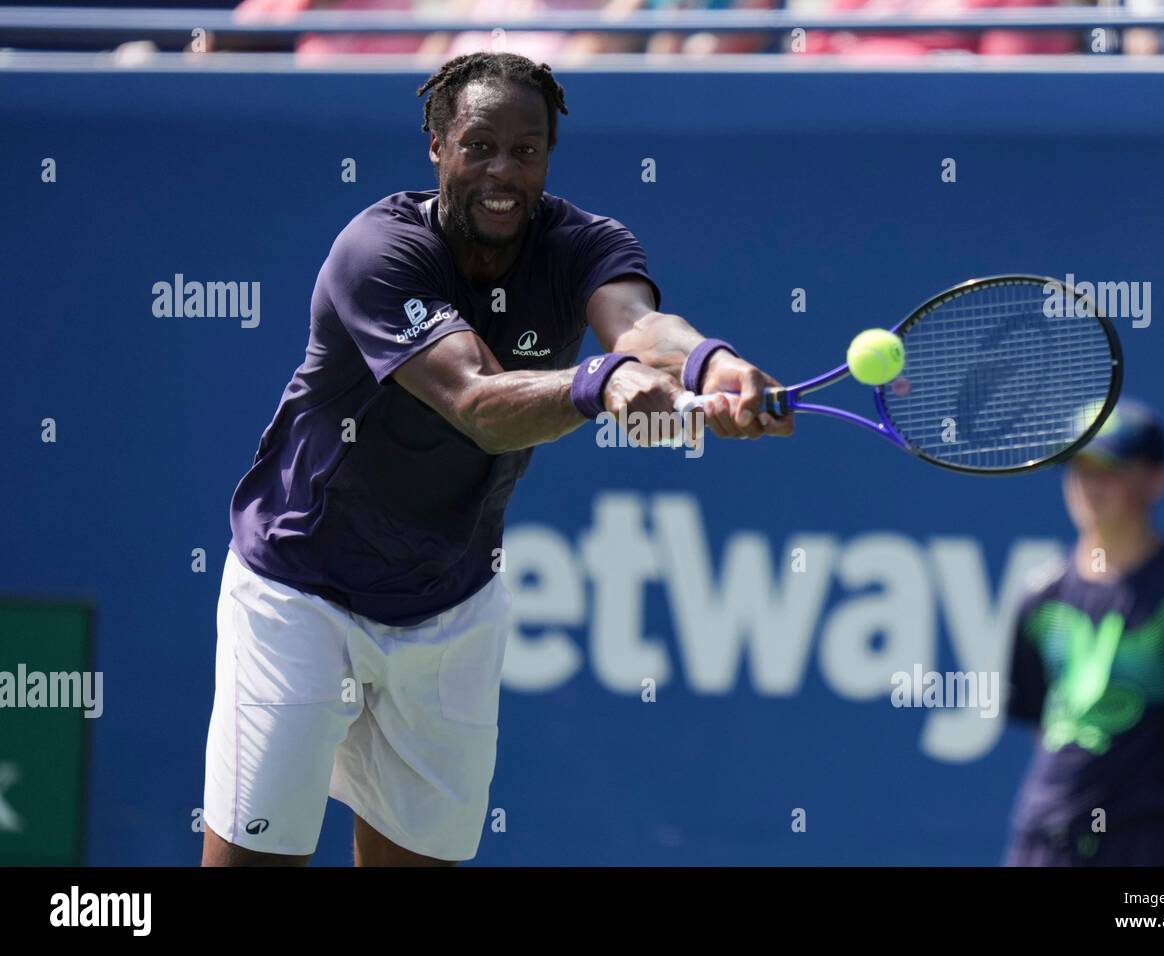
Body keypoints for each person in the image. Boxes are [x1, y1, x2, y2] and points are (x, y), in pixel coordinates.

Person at [201, 51, 790, 866]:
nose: (502, 172)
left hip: (451, 607)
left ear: (548, 157)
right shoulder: (377, 253)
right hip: (300, 595)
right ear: (437, 147)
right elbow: (478, 404)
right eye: (479, 146)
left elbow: (642, 328)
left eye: (527, 149)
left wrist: (709, 366)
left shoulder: (583, 242)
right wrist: (599, 383)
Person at [1004, 399, 1164, 865]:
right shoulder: (1040, 595)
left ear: (1157, 481)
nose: (1090, 484)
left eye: (1110, 468)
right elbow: (1048, 724)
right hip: (1044, 834)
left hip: (1149, 841)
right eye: (1079, 467)